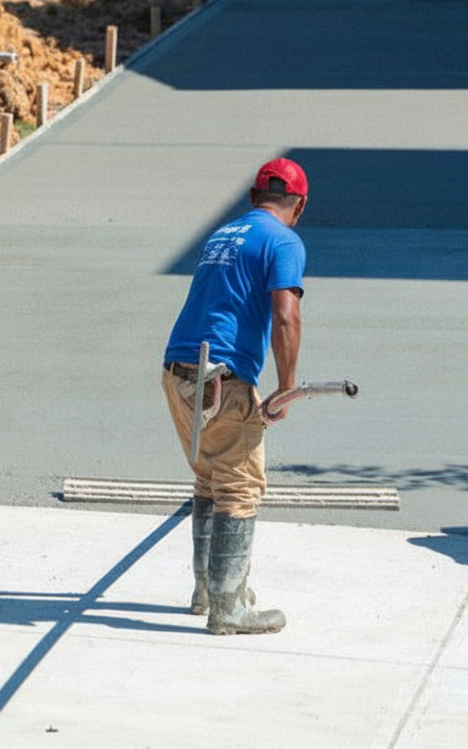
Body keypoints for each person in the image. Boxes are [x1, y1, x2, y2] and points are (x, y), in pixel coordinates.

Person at [162, 158, 307, 634]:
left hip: (178, 369)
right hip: (221, 378)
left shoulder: (222, 234)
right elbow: (286, 316)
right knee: (240, 487)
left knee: (209, 477)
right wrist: (286, 389)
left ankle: (207, 591)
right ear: (299, 205)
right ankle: (229, 608)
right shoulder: (283, 241)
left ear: (252, 198)